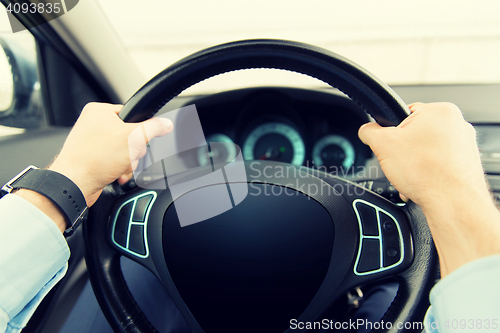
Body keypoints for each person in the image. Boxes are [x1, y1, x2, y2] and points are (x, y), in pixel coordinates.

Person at [0, 101, 499, 332]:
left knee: (135, 269)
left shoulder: (194, 188)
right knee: (392, 292)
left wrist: (69, 178)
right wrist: (452, 193)